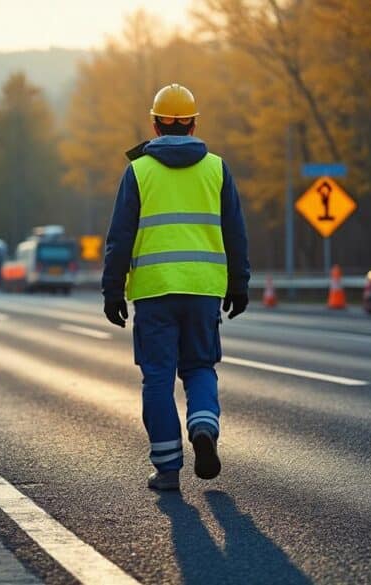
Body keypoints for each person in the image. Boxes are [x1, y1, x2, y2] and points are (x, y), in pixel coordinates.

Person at [102, 83, 250, 491]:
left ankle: (168, 469)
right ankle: (203, 427)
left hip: (153, 292)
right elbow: (235, 232)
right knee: (200, 367)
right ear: (193, 123)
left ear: (154, 123)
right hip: (204, 291)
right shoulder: (217, 169)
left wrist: (112, 290)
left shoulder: (138, 171)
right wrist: (239, 284)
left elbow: (120, 236)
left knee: (158, 378)